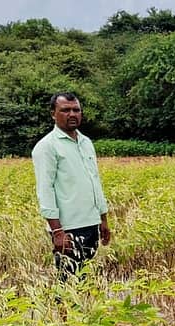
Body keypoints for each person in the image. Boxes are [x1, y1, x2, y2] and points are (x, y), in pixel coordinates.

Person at [32, 92, 111, 281]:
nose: (72, 114)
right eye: (65, 110)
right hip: (69, 229)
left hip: (91, 224)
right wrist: (57, 231)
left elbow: (94, 181)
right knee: (67, 284)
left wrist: (103, 219)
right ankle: (62, 312)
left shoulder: (86, 143)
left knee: (84, 280)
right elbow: (45, 189)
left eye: (76, 110)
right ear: (53, 114)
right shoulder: (47, 147)